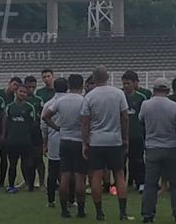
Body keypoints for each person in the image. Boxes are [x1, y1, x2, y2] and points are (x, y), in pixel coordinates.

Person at [81, 65, 134, 221]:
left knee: (96, 176)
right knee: (119, 175)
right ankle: (123, 213)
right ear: (108, 77)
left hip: (96, 141)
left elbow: (84, 122)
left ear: (94, 78)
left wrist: (85, 142)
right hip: (114, 139)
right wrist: (125, 138)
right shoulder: (118, 94)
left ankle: (99, 212)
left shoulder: (90, 97)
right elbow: (125, 117)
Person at [139, 78, 176, 223]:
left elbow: (141, 120)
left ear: (153, 90)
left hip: (153, 148)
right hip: (172, 147)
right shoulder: (174, 106)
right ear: (167, 90)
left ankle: (148, 216)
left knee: (150, 184)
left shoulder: (145, 104)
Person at [43, 74, 88, 218]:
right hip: (79, 140)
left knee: (64, 176)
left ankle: (64, 210)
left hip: (64, 140)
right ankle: (80, 210)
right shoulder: (84, 101)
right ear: (81, 86)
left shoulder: (61, 101)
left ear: (69, 85)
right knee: (80, 177)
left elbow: (45, 116)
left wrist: (57, 128)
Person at [2, 84, 37, 193]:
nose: (22, 94)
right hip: (12, 140)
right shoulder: (10, 107)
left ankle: (30, 185)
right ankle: (11, 185)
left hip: (26, 141)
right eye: (20, 91)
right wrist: (4, 135)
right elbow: (5, 122)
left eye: (24, 92)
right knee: (12, 164)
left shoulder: (29, 107)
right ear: (16, 92)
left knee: (29, 164)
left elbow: (33, 124)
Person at [42, 78, 68, 208]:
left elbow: (44, 125)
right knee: (69, 172)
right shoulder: (73, 102)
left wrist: (44, 143)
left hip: (53, 141)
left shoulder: (49, 104)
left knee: (52, 172)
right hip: (70, 139)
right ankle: (71, 199)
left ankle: (51, 200)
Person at [122, 70, 147, 192]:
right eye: (124, 83)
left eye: (128, 83)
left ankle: (141, 182)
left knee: (137, 160)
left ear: (134, 83)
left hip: (137, 134)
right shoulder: (120, 96)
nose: (126, 86)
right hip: (122, 135)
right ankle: (120, 184)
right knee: (121, 161)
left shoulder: (141, 98)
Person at [0, 76, 22, 187]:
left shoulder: (15, 99)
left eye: (17, 86)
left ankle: (3, 181)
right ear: (9, 83)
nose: (15, 87)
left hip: (9, 131)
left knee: (6, 157)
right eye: (14, 84)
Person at [25, 75, 47, 190]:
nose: (31, 89)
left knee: (39, 158)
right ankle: (28, 182)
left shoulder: (39, 101)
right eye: (29, 87)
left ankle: (42, 182)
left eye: (33, 87)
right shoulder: (21, 100)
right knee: (26, 160)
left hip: (36, 133)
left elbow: (43, 117)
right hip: (24, 133)